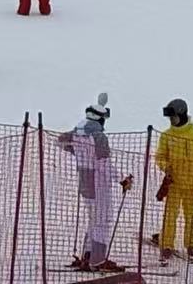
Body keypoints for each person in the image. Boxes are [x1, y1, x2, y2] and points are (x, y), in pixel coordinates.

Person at [63, 93, 130, 271]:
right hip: (99, 186)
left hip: (85, 183)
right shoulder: (99, 137)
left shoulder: (76, 132)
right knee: (102, 221)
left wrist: (77, 152)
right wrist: (122, 179)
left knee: (93, 220)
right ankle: (98, 260)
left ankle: (87, 255)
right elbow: (104, 165)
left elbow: (60, 140)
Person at [155, 98, 193, 262]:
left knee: (191, 214)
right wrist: (165, 167)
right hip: (173, 183)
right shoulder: (166, 135)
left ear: (181, 114)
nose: (171, 120)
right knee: (170, 215)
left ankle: (192, 244)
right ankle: (166, 245)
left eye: (173, 116)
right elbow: (160, 156)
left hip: (192, 183)